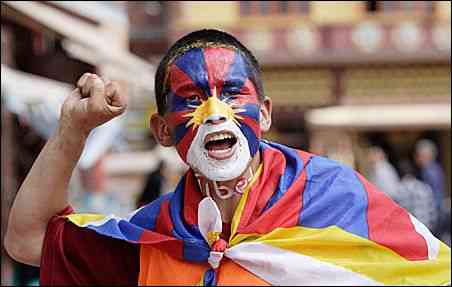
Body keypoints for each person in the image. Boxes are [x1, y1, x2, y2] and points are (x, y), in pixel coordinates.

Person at [4, 29, 450, 286]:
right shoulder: (150, 238)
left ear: (266, 113)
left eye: (234, 93)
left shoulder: (335, 196)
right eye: (192, 97)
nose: (216, 114)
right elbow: (26, 241)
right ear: (163, 130)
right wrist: (74, 128)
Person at [415, 139, 447, 237]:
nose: (417, 158)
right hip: (438, 210)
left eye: (419, 155)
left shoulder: (428, 170)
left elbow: (431, 194)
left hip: (434, 212)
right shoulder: (436, 168)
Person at [395, 159, 438, 231]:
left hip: (409, 231)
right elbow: (433, 212)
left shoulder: (398, 191)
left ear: (398, 174)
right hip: (426, 229)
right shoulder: (425, 187)